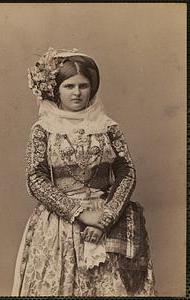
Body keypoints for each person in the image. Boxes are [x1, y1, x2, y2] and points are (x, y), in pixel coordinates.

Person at [12, 47, 156, 296]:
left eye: (83, 85)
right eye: (69, 86)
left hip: (104, 219)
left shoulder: (108, 127)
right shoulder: (44, 129)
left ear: (92, 88)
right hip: (58, 225)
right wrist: (78, 213)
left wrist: (105, 218)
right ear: (57, 89)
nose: (77, 93)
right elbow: (35, 179)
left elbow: (127, 172)